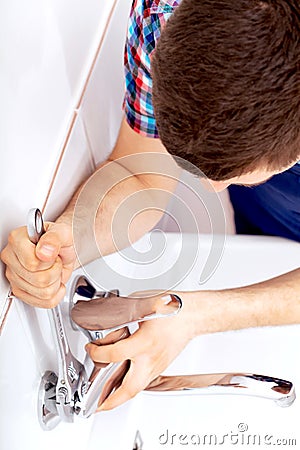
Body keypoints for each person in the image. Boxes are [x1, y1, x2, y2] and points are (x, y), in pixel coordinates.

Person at [1, 0, 300, 411]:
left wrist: (200, 315)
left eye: (231, 176)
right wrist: (72, 235)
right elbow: (142, 174)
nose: (211, 192)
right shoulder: (164, 15)